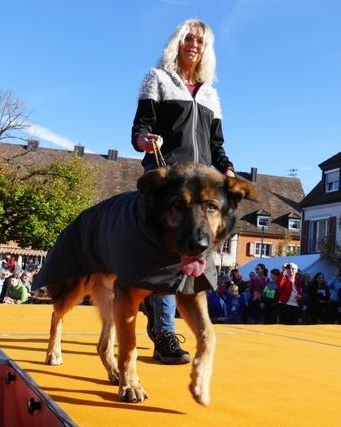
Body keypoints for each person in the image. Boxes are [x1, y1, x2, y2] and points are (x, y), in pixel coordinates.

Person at [131, 19, 235, 365]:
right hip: (167, 178)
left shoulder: (210, 93)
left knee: (194, 257)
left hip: (201, 182)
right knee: (168, 256)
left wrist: (228, 169)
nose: (194, 44)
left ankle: (157, 310)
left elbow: (216, 146)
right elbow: (140, 130)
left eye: (200, 41)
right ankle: (164, 335)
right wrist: (146, 141)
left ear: (206, 50)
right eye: (189, 38)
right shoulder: (157, 78)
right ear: (177, 42)